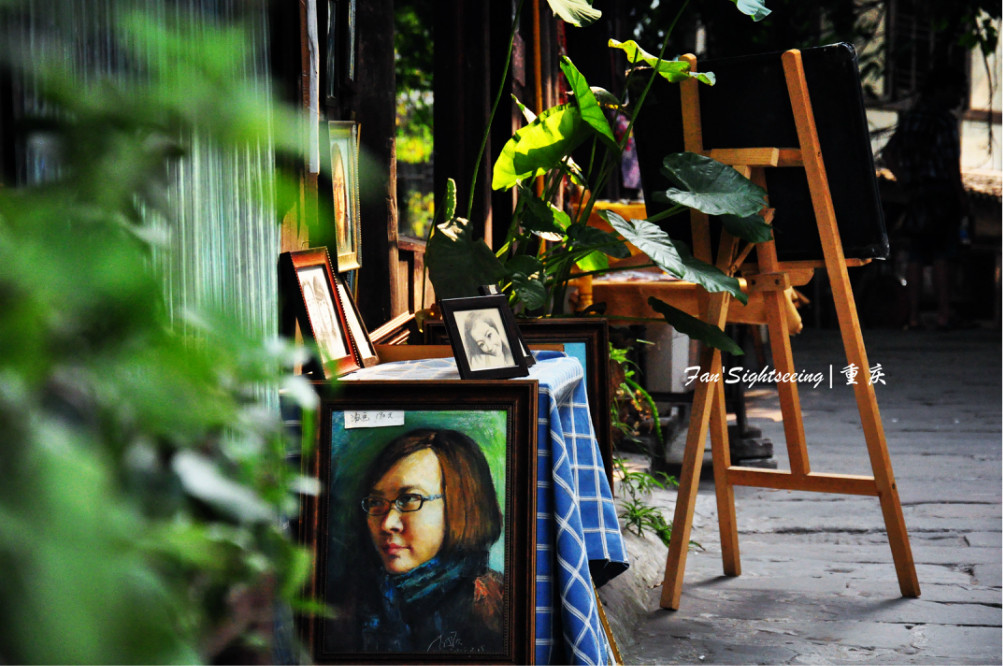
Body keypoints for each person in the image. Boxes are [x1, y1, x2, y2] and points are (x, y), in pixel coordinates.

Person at [328, 428, 505, 654]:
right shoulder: (342, 606)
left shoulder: (496, 606)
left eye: (409, 499)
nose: (387, 523)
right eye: (376, 502)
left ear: (461, 505)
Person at [883, 71, 969, 330]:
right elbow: (951, 164)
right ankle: (944, 313)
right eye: (955, 91)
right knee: (943, 252)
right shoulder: (944, 121)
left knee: (917, 253)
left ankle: (913, 317)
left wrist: (905, 181)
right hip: (941, 192)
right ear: (940, 90)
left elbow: (889, 154)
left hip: (917, 193)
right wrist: (961, 197)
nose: (959, 98)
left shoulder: (911, 120)